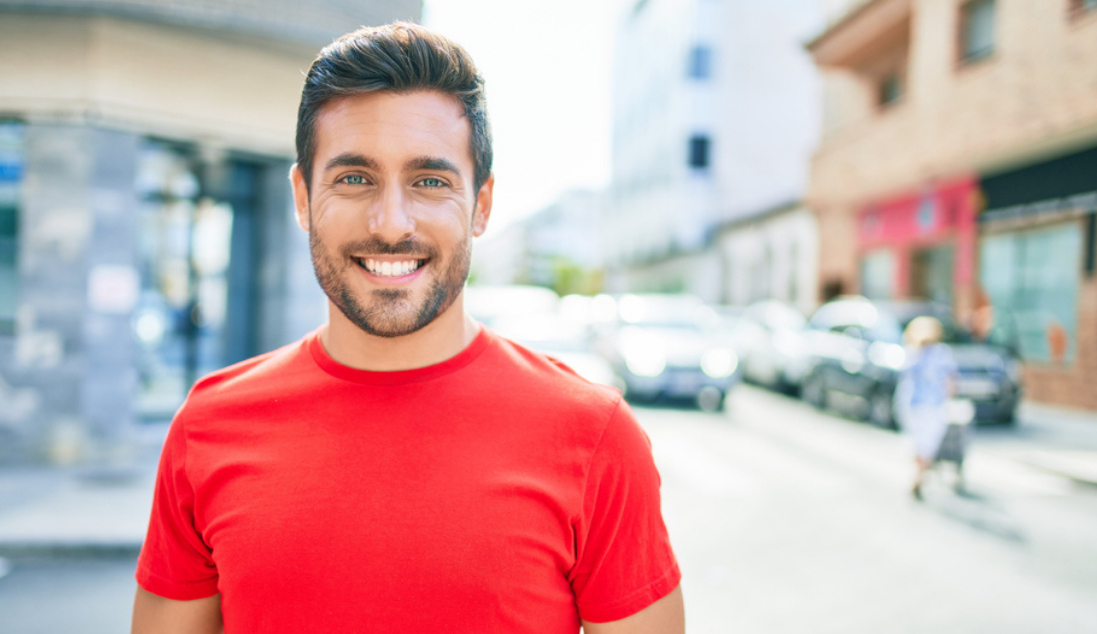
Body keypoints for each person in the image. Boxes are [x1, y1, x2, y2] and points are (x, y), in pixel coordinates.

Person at [131, 22, 683, 634]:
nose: (391, 223)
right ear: (302, 197)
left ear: (481, 205)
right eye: (353, 178)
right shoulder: (207, 427)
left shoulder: (593, 437)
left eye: (430, 182)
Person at [895, 315, 958, 500]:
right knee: (927, 444)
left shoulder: (912, 353)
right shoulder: (942, 353)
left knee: (917, 443)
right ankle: (921, 473)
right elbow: (951, 383)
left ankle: (919, 473)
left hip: (912, 405)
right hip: (932, 406)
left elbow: (904, 379)